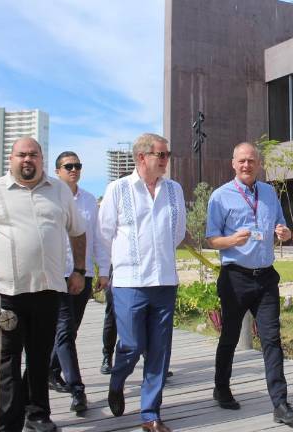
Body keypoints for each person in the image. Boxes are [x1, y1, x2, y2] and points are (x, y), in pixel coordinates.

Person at [0, 137, 86, 432]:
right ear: (11, 160)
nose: (28, 160)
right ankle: (9, 423)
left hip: (48, 290)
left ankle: (38, 414)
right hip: (7, 293)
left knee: (40, 358)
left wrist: (79, 269)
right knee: (8, 363)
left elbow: (78, 232)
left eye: (34, 155)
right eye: (22, 155)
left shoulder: (60, 192)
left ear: (42, 159)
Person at [205, 142, 293, 425]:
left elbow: (280, 226)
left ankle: (281, 404)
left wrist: (283, 233)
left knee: (272, 339)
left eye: (251, 161)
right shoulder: (220, 197)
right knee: (230, 337)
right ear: (233, 163)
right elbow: (212, 239)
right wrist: (231, 240)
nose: (247, 165)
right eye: (242, 161)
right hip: (235, 277)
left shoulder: (270, 192)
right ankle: (221, 388)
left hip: (266, 276)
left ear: (258, 164)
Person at [98, 133, 186, 432]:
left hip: (164, 282)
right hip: (128, 282)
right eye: (160, 155)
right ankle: (117, 380)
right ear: (141, 157)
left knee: (160, 350)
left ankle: (150, 414)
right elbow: (104, 233)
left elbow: (177, 233)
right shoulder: (118, 189)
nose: (165, 160)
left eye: (167, 155)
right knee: (132, 345)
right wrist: (104, 273)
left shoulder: (173, 190)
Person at [47, 151, 110, 413]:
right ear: (57, 170)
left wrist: (103, 270)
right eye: (68, 166)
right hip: (54, 274)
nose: (74, 170)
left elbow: (96, 238)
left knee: (70, 330)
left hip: (81, 273)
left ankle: (50, 371)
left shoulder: (88, 201)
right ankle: (78, 390)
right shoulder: (48, 196)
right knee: (63, 329)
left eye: (77, 166)